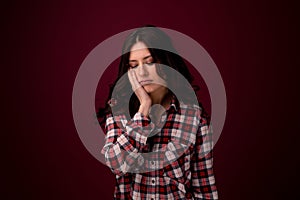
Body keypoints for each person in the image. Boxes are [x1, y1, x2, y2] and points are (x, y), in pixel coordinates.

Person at [98, 25, 218, 200]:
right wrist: (143, 110)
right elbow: (116, 164)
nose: (142, 72)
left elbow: (205, 189)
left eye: (149, 62)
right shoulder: (119, 111)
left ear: (166, 62)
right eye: (134, 65)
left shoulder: (194, 118)